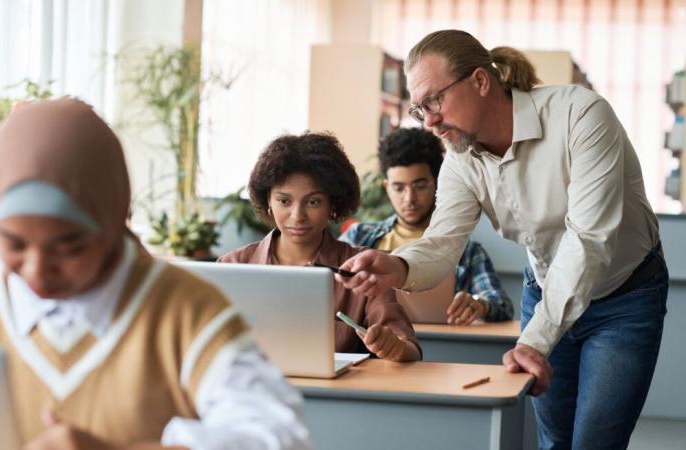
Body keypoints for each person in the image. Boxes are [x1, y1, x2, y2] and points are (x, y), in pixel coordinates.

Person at [338, 30, 667, 450]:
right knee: (554, 441)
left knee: (595, 442)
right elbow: (442, 243)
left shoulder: (580, 115)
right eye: (420, 110)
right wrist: (399, 266)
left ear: (480, 81)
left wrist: (533, 341)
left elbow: (587, 240)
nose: (430, 121)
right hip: (546, 290)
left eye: (434, 101)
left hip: (625, 297)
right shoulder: (460, 159)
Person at [0, 99, 311, 450]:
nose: (37, 270)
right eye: (13, 243)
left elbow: (280, 438)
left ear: (112, 221)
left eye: (69, 247)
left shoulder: (183, 310)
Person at [218, 132, 421, 362]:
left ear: (333, 204)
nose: (298, 216)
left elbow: (409, 349)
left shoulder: (362, 269)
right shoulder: (232, 266)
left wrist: (394, 348)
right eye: (284, 201)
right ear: (268, 202)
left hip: (335, 396)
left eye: (313, 202)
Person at [340, 127, 513, 324]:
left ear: (438, 183)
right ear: (387, 188)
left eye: (420, 186)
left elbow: (501, 304)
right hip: (369, 344)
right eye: (399, 188)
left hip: (440, 347)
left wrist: (479, 305)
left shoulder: (467, 252)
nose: (409, 199)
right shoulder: (357, 238)